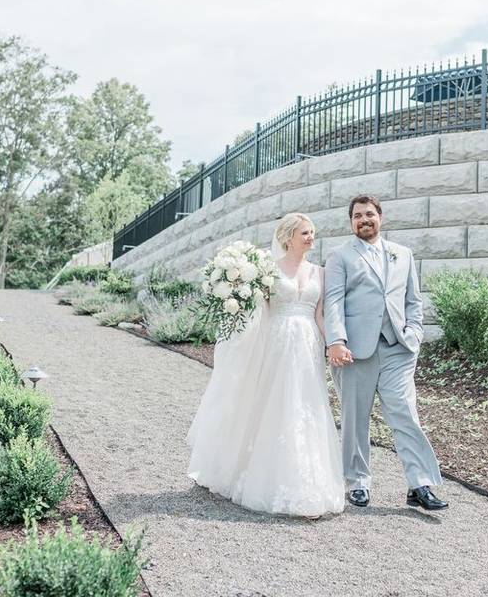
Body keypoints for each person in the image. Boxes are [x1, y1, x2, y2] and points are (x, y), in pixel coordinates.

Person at [187, 213, 344, 517]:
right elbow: (257, 313)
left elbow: (321, 314)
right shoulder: (268, 271)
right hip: (277, 344)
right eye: (305, 233)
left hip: (307, 344)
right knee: (275, 404)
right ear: (288, 237)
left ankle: (308, 481)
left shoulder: (319, 273)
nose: (311, 238)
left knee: (306, 405)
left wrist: (333, 344)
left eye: (312, 232)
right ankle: (261, 474)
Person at [324, 195, 448, 511]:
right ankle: (357, 483)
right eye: (357, 216)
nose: (363, 220)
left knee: (405, 414)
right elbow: (334, 301)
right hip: (354, 350)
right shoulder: (340, 256)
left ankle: (419, 484)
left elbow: (413, 301)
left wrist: (414, 335)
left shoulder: (402, 254)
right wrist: (335, 341)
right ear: (350, 222)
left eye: (369, 214)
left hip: (397, 349)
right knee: (355, 419)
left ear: (380, 217)